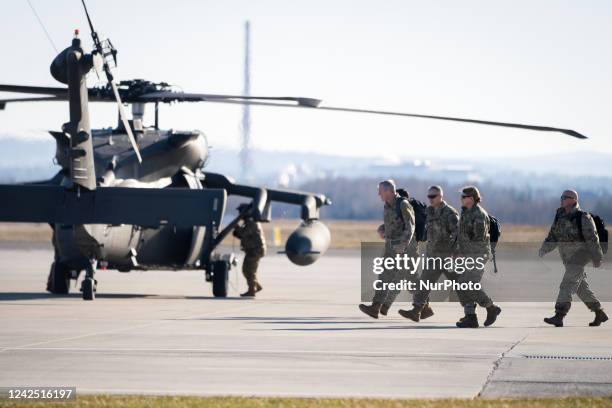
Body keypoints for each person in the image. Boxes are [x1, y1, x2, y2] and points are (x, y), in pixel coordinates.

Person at [539, 190, 608, 327]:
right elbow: (553, 235)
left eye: (565, 197)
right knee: (581, 288)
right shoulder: (560, 215)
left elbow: (593, 239)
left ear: (573, 200)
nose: (562, 199)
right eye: (561, 197)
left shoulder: (583, 217)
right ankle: (599, 312)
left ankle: (559, 315)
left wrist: (597, 257)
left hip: (580, 257)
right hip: (567, 258)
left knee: (567, 284)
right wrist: (544, 249)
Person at [399, 185, 458, 322]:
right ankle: (417, 310)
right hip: (433, 255)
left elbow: (458, 234)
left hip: (446, 256)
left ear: (441, 196)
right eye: (429, 196)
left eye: (434, 196)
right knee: (424, 284)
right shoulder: (429, 211)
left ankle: (488, 306)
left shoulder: (450, 213)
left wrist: (456, 252)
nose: (431, 199)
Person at [359, 180, 417, 318]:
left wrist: (402, 247)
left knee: (410, 279)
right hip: (391, 248)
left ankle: (423, 307)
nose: (379, 194)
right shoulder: (387, 205)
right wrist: (383, 229)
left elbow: (411, 227)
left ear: (389, 191)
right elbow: (394, 224)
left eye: (380, 191)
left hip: (403, 249)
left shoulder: (403, 204)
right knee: (384, 277)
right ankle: (375, 307)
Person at [455, 186, 502, 328]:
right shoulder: (466, 213)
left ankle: (490, 307)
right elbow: (462, 236)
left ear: (471, 198)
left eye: (464, 196)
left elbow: (478, 240)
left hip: (477, 255)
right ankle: (470, 316)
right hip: (468, 255)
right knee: (463, 284)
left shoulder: (479, 215)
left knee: (467, 283)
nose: (461, 199)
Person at [233, 205, 267, 297]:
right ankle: (255, 286)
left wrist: (236, 227)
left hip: (255, 250)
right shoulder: (249, 222)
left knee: (249, 270)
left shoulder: (252, 222)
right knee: (246, 270)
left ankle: (252, 290)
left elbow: (244, 233)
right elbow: (243, 235)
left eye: (241, 212)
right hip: (253, 250)